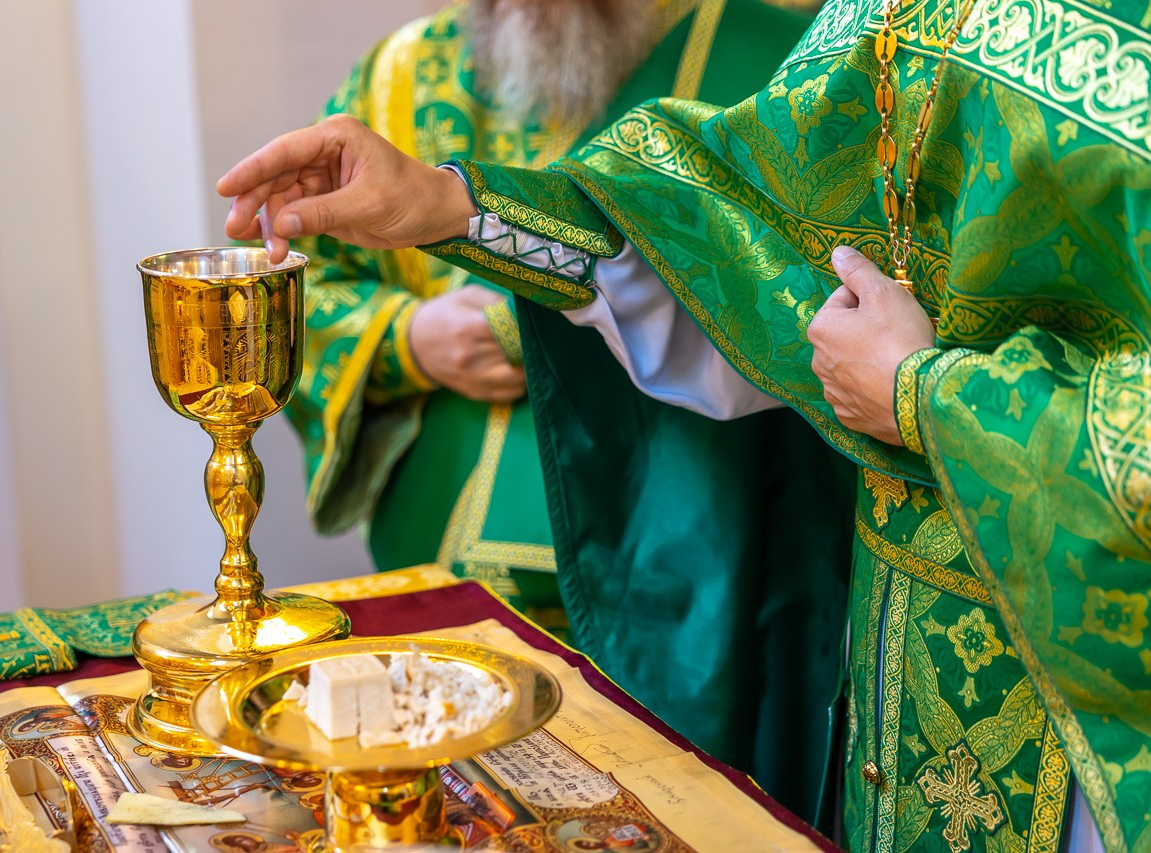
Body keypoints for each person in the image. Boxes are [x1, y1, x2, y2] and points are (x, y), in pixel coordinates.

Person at [217, 0, 1151, 847]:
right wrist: (453, 208)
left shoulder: (760, 35)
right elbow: (740, 255)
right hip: (898, 664)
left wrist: (923, 394)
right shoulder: (893, 14)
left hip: (1094, 703)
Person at [279, 0, 855, 826]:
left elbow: (805, 303)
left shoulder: (773, 54)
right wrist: (404, 338)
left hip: (687, 599)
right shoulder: (401, 73)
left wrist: (560, 313)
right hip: (437, 597)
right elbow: (300, 277)